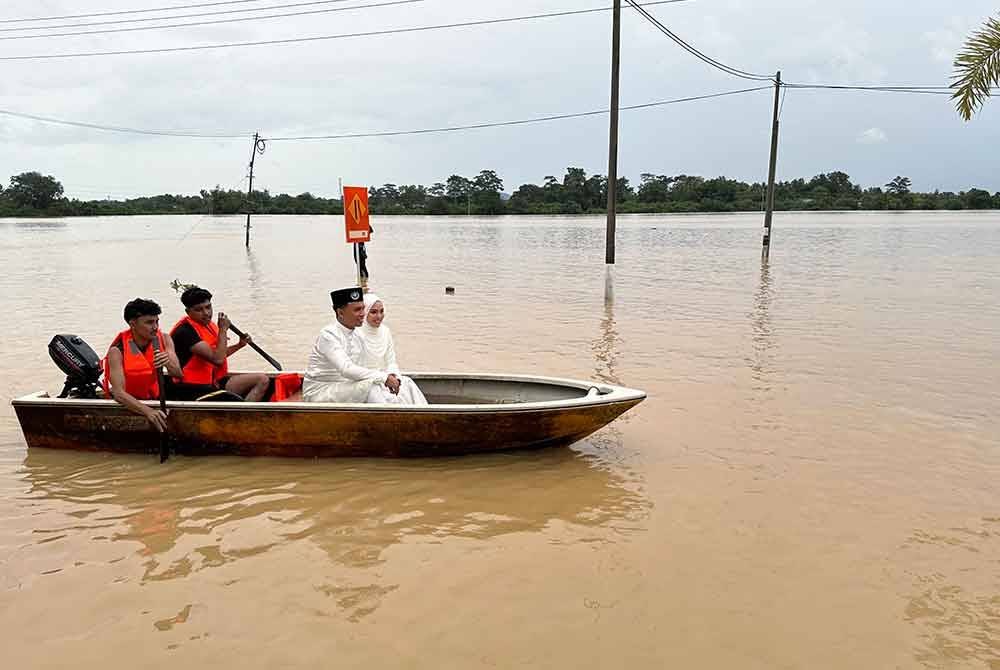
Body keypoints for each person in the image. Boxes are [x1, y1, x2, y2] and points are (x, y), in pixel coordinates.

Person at [302, 287, 409, 403]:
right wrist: (384, 378)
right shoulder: (328, 335)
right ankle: (390, 414)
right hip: (321, 390)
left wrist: (390, 376)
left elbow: (365, 368)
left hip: (346, 386)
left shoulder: (358, 335)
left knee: (405, 383)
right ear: (340, 313)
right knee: (370, 386)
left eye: (363, 308)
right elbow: (346, 369)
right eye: (357, 310)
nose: (363, 314)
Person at [168, 286, 269, 401]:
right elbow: (218, 359)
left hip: (212, 383)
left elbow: (218, 353)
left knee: (263, 380)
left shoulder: (208, 325)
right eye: (199, 310)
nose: (206, 313)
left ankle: (245, 410)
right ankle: (243, 410)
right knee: (234, 400)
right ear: (188, 312)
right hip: (191, 389)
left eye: (208, 307)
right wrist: (223, 330)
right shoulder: (186, 332)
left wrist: (239, 345)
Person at [103, 298, 184, 432]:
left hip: (155, 397)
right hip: (130, 402)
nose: (155, 327)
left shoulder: (164, 339)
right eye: (149, 322)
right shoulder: (117, 351)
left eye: (157, 321)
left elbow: (178, 374)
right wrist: (148, 411)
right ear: (132, 324)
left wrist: (167, 362)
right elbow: (118, 393)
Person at [357, 293, 427, 404]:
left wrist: (394, 376)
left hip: (386, 378)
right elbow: (356, 369)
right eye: (373, 312)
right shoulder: (356, 334)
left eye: (381, 311)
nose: (379, 316)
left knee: (408, 383)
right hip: (368, 381)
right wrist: (384, 378)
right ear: (364, 313)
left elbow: (391, 361)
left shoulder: (385, 331)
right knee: (377, 392)